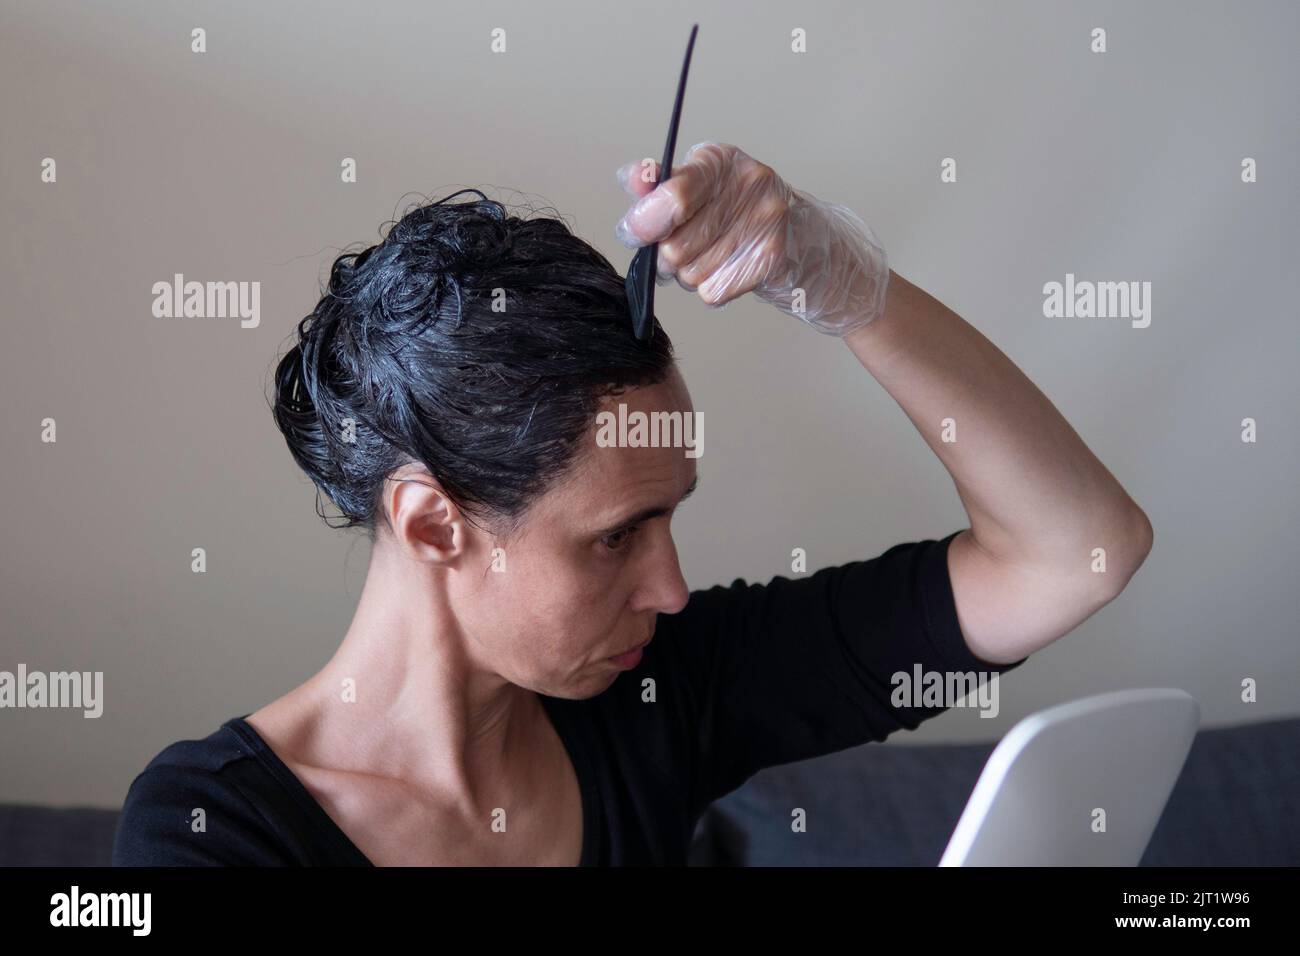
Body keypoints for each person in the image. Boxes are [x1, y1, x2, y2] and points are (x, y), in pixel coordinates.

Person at [111, 143, 1152, 866]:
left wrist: (847, 288)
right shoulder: (214, 825)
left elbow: (1077, 553)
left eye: (668, 517)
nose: (670, 585)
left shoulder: (662, 687)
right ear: (434, 522)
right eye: (616, 535)